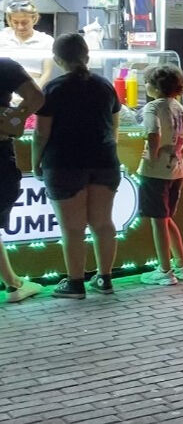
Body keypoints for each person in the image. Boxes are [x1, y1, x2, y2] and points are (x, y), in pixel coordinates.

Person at [31, 34, 122, 299]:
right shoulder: (105, 85)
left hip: (64, 163)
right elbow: (114, 126)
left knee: (73, 228)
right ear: (87, 56)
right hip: (104, 160)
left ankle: (75, 283)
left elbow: (40, 133)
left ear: (58, 59)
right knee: (103, 223)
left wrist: (35, 161)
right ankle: (104, 278)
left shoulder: (53, 89)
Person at [137, 65, 183, 286]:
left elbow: (152, 134)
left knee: (158, 221)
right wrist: (178, 152)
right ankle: (182, 265)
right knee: (166, 218)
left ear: (155, 86)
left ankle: (165, 271)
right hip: (178, 170)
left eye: (146, 82)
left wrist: (153, 157)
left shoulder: (152, 108)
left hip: (156, 173)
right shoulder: (177, 106)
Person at [0, 57, 45, 303]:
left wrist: (14, 119)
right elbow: (36, 97)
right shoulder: (5, 66)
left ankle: (13, 283)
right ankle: (14, 283)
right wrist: (16, 118)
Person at [0, 0, 55, 89]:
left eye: (25, 22)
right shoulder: (2, 38)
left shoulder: (46, 41)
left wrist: (33, 94)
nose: (20, 27)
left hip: (34, 90)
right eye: (15, 22)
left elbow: (47, 73)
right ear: (9, 20)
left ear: (34, 19)